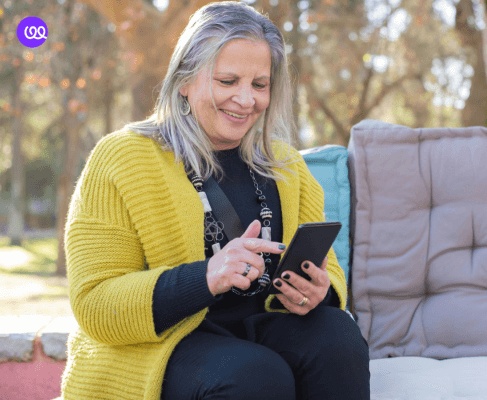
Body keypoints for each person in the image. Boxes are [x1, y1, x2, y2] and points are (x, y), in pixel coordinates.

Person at [60, 2, 370, 399]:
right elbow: (95, 303)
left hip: (263, 329)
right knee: (255, 375)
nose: (246, 100)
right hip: (165, 344)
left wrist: (319, 291)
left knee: (337, 336)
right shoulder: (122, 158)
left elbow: (329, 274)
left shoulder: (287, 166)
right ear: (184, 81)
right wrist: (207, 276)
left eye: (260, 84)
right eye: (227, 81)